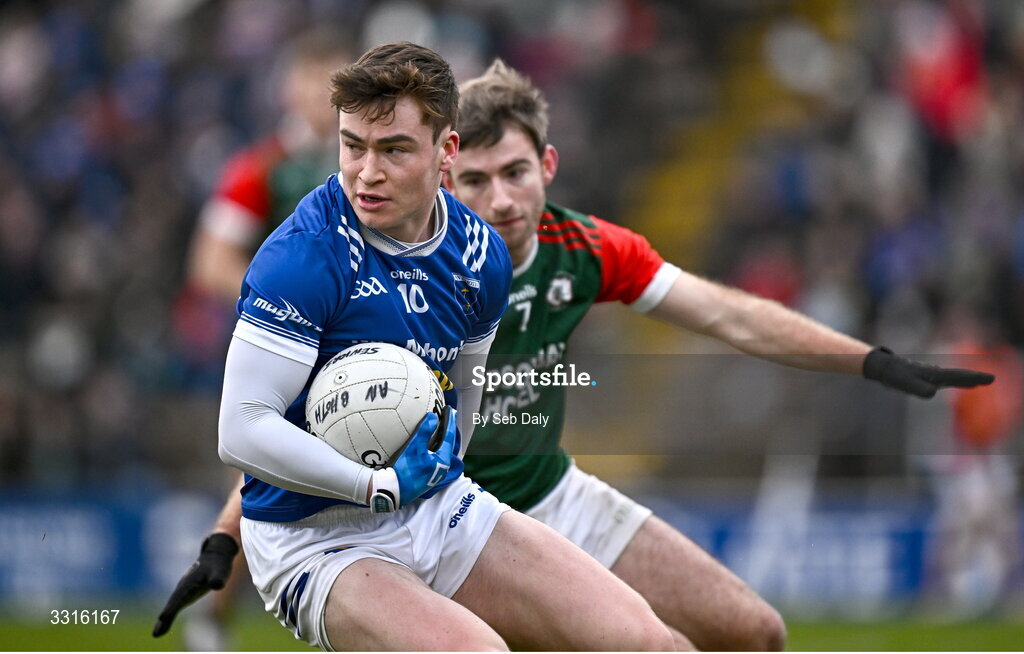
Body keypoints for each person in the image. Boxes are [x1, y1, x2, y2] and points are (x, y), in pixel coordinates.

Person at [156, 57, 996, 650]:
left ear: (545, 166)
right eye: (478, 182)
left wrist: (869, 360)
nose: (499, 200)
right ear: (452, 172)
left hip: (514, 498)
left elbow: (730, 316)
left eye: (515, 173)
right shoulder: (329, 260)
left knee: (740, 635)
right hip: (351, 526)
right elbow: (315, 416)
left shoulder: (547, 253)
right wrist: (229, 539)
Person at [169, 41, 678, 652]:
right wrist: (374, 486)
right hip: (314, 538)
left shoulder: (481, 256)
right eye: (353, 146)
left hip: (434, 506)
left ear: (447, 151)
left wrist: (429, 476)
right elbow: (241, 431)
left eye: (394, 149)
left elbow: (463, 402)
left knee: (646, 642)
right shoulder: (302, 257)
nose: (367, 171)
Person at [163, 31, 352, 652]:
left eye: (332, 82)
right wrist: (290, 303)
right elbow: (209, 261)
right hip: (285, 358)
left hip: (360, 353)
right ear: (287, 88)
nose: (320, 95)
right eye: (311, 80)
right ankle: (212, 616)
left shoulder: (372, 162)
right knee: (261, 490)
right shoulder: (260, 168)